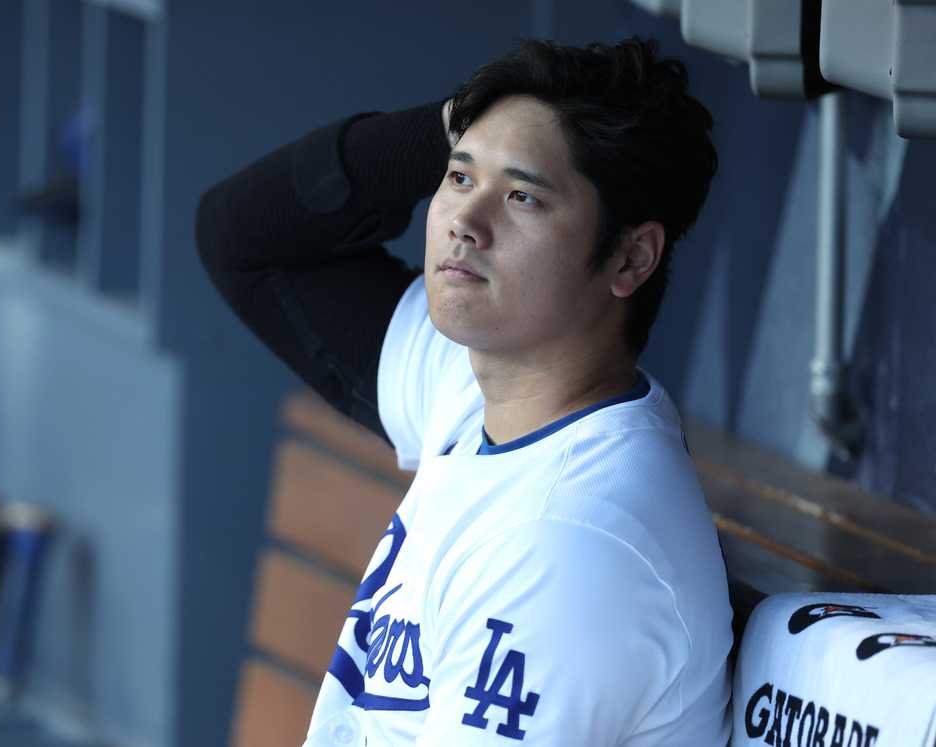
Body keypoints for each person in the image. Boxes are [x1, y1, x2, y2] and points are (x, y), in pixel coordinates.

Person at [196, 36, 732, 746]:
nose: (463, 224)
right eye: (458, 179)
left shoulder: (568, 543)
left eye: (521, 196)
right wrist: (462, 124)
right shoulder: (477, 385)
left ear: (631, 256)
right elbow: (242, 239)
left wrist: (478, 139)